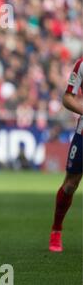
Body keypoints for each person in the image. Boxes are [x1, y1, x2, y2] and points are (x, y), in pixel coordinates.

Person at [49, 57, 83, 252]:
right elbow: (67, 98)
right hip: (82, 135)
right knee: (70, 185)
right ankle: (56, 230)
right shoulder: (81, 65)